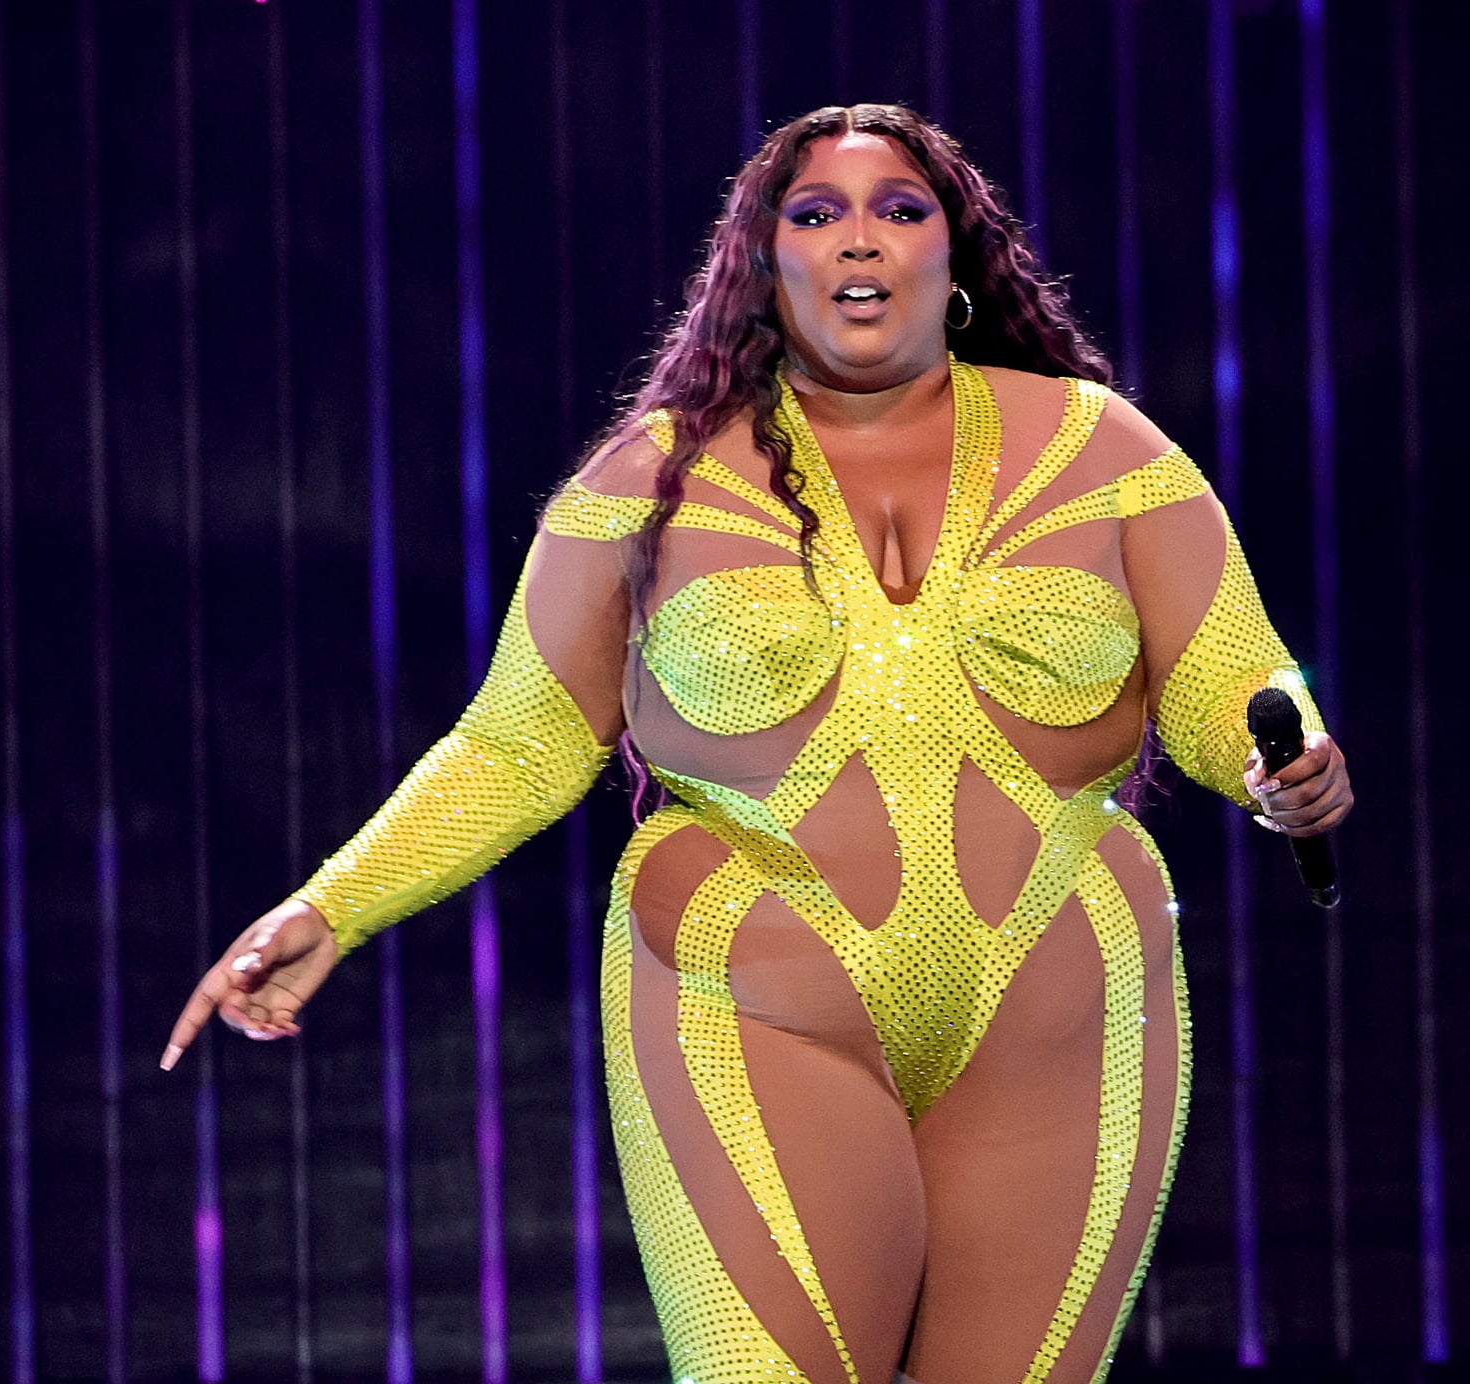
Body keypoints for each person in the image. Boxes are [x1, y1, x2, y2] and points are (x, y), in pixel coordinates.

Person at [163, 103, 1352, 1384]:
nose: (861, 240)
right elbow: (516, 744)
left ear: (954, 263)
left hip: (1055, 992)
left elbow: (1231, 669)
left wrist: (1282, 761)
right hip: (757, 989)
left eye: (900, 211)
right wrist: (334, 904)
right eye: (816, 213)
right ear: (761, 262)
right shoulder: (648, 480)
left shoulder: (1105, 452)